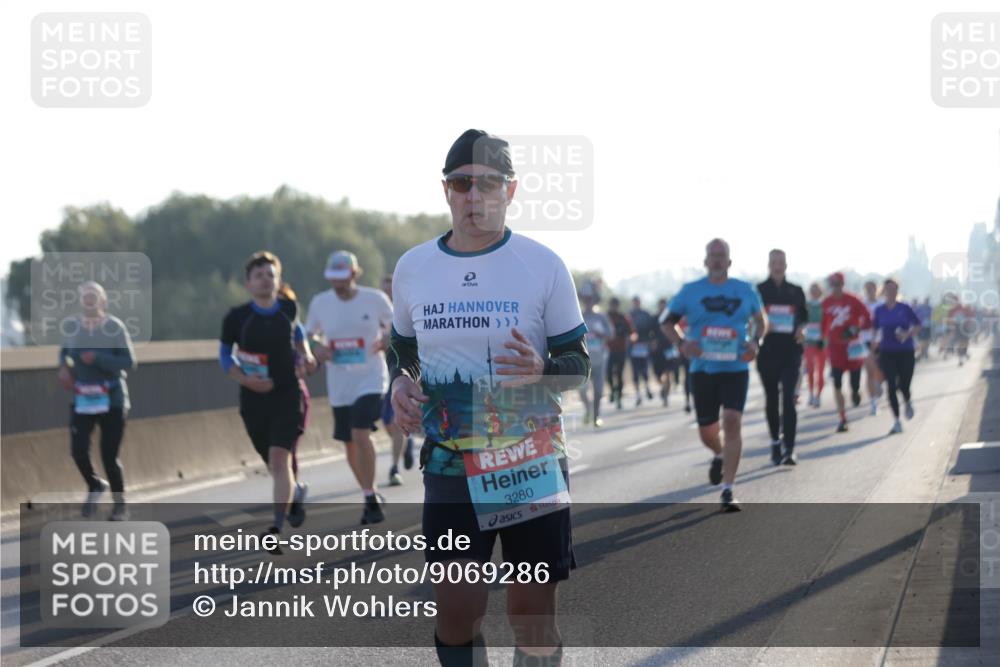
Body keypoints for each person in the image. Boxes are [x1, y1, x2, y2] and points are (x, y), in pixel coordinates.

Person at [388, 129, 589, 666]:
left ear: (511, 190)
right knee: (457, 614)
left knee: (531, 614)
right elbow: (402, 348)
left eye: (488, 184)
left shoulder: (542, 263)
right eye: (461, 184)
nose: (473, 197)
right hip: (451, 463)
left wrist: (544, 369)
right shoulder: (413, 268)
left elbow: (579, 366)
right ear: (446, 191)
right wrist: (400, 381)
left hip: (528, 458)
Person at [661, 238, 765, 512]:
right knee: (708, 431)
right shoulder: (690, 291)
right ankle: (719, 454)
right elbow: (666, 322)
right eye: (712, 255)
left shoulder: (745, 290)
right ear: (705, 261)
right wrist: (682, 344)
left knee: (732, 421)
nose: (717, 260)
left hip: (735, 369)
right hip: (702, 370)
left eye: (722, 255)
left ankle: (728, 490)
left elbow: (760, 320)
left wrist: (756, 342)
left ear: (729, 261)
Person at [220, 252, 315, 550]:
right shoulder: (236, 318)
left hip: (287, 394)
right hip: (253, 399)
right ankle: (295, 491)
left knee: (279, 459)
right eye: (259, 275)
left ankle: (275, 526)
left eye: (270, 274)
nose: (265, 279)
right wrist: (245, 379)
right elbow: (225, 355)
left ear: (277, 281)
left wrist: (307, 353)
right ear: (248, 283)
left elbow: (299, 333)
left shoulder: (287, 308)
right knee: (273, 463)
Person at [305, 250, 394, 524]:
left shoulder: (375, 299)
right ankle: (370, 492)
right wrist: (316, 348)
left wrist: (388, 339)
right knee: (349, 443)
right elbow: (307, 336)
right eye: (333, 277)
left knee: (359, 431)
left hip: (371, 376)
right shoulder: (321, 303)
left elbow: (398, 327)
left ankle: (369, 498)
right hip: (340, 382)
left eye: (343, 277)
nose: (338, 282)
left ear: (355, 274)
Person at [58, 281, 137, 521]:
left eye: (94, 295)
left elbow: (128, 362)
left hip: (112, 399)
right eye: (85, 296)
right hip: (84, 399)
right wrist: (63, 368)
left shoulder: (114, 327)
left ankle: (120, 505)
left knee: (108, 455)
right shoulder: (72, 327)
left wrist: (99, 358)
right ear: (80, 301)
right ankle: (94, 484)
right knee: (78, 450)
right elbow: (65, 353)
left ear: (103, 301)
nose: (89, 299)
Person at [756, 250, 808, 465]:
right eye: (774, 262)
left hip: (790, 351)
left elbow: (804, 318)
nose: (777, 266)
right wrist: (758, 330)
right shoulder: (759, 291)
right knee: (772, 399)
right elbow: (751, 318)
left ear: (786, 265)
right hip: (767, 351)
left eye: (781, 262)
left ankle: (790, 449)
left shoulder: (796, 291)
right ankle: (775, 443)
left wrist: (801, 329)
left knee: (788, 399)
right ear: (768, 264)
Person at [821, 272, 872, 433]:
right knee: (837, 383)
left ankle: (856, 392)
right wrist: (822, 340)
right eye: (832, 285)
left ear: (842, 284)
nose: (834, 288)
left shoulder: (853, 300)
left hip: (853, 346)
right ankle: (842, 418)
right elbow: (823, 324)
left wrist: (856, 328)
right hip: (836, 347)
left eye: (837, 284)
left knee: (854, 383)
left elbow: (867, 317)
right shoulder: (826, 302)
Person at [872, 278, 920, 435]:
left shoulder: (905, 307)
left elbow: (918, 325)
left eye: (894, 289)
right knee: (891, 386)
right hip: (887, 352)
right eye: (888, 289)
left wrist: (907, 333)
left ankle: (907, 400)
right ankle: (897, 421)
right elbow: (875, 329)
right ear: (883, 291)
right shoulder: (879, 310)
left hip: (906, 351)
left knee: (904, 384)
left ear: (897, 291)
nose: (891, 292)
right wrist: (874, 343)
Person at [380, 275, 416, 485]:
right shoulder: (376, 309)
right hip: (379, 379)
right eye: (384, 290)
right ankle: (406, 445)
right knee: (387, 424)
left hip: (400, 376)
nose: (387, 294)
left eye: (390, 290)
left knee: (395, 424)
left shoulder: (407, 310)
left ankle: (394, 468)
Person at [579, 282, 610, 427]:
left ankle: (596, 416)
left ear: (594, 299)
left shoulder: (601, 317)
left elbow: (611, 334)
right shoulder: (578, 316)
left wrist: (600, 333)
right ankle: (588, 409)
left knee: (598, 390)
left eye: (590, 298)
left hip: (599, 359)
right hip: (583, 360)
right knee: (583, 390)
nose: (588, 301)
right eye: (585, 298)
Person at [628, 297, 657, 407]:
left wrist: (650, 341)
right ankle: (638, 395)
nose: (636, 304)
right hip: (633, 348)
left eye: (637, 302)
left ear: (640, 303)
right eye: (634, 302)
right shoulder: (629, 315)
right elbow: (627, 331)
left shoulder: (646, 314)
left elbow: (652, 329)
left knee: (645, 370)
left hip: (644, 346)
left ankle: (647, 388)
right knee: (635, 372)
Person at [861, 280, 885, 416]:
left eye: (872, 287)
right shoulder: (861, 304)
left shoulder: (881, 304)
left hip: (881, 341)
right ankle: (873, 403)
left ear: (876, 289)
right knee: (869, 371)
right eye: (868, 288)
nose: (870, 290)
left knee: (880, 369)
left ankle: (879, 383)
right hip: (865, 340)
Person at [802, 283, 827, 408]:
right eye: (812, 290)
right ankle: (811, 393)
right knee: (810, 369)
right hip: (809, 340)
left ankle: (818, 395)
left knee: (821, 371)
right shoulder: (806, 304)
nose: (814, 292)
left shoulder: (825, 305)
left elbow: (828, 323)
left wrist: (824, 337)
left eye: (817, 290)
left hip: (822, 342)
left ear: (821, 291)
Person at [605, 298, 633, 410]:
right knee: (609, 374)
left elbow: (631, 332)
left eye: (615, 305)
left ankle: (619, 397)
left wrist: (630, 341)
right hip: (608, 351)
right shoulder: (605, 317)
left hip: (621, 350)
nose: (613, 307)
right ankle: (612, 390)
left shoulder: (623, 318)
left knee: (620, 374)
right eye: (612, 305)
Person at [652, 297, 680, 407]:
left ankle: (666, 395)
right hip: (657, 350)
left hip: (669, 348)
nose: (662, 307)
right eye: (660, 305)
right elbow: (650, 331)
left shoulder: (671, 318)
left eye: (664, 305)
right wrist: (651, 341)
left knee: (668, 373)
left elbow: (676, 330)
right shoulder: (654, 318)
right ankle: (662, 387)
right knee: (658, 374)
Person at [947, 295, 975, 367]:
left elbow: (970, 316)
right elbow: (949, 320)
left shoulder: (963, 308)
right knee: (961, 343)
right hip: (959, 328)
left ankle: (963, 354)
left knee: (964, 343)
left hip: (963, 327)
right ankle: (961, 358)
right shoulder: (953, 309)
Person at [914, 297, 933, 361]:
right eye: (926, 301)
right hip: (921, 326)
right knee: (922, 340)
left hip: (928, 326)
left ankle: (925, 352)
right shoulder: (919, 307)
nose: (926, 302)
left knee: (927, 340)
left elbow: (932, 316)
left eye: (927, 301)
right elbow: (914, 315)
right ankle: (922, 353)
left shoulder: (929, 308)